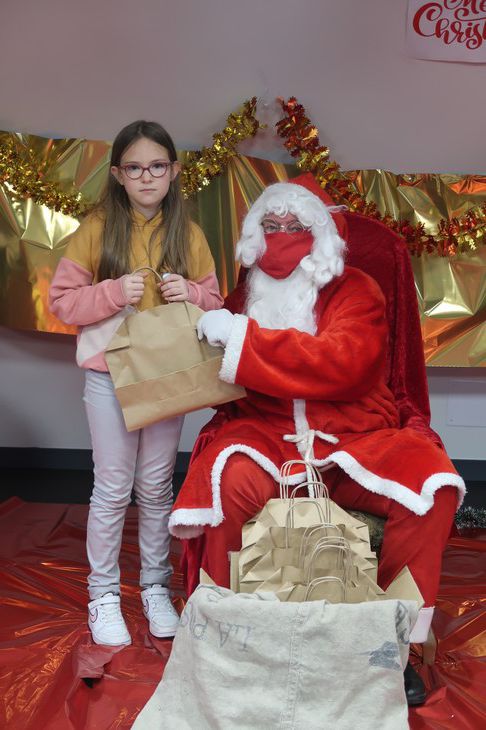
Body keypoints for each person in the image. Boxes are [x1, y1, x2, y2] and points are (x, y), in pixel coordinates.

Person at [169, 172, 465, 705]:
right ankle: (225, 638)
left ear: (323, 235)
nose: (283, 235)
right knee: (223, 479)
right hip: (267, 436)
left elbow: (342, 364)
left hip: (355, 437)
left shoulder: (356, 290)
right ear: (255, 233)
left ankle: (393, 648)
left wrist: (241, 338)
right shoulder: (244, 296)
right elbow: (213, 379)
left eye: (297, 224)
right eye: (271, 223)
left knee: (431, 486)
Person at [49, 120, 223, 646]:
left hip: (167, 375)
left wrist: (190, 292)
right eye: (134, 167)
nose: (146, 177)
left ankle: (153, 587)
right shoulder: (98, 228)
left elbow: (217, 305)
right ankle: (102, 594)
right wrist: (109, 292)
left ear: (172, 172)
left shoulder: (187, 233)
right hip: (110, 376)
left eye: (157, 166)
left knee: (155, 485)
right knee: (111, 486)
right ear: (118, 175)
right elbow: (61, 302)